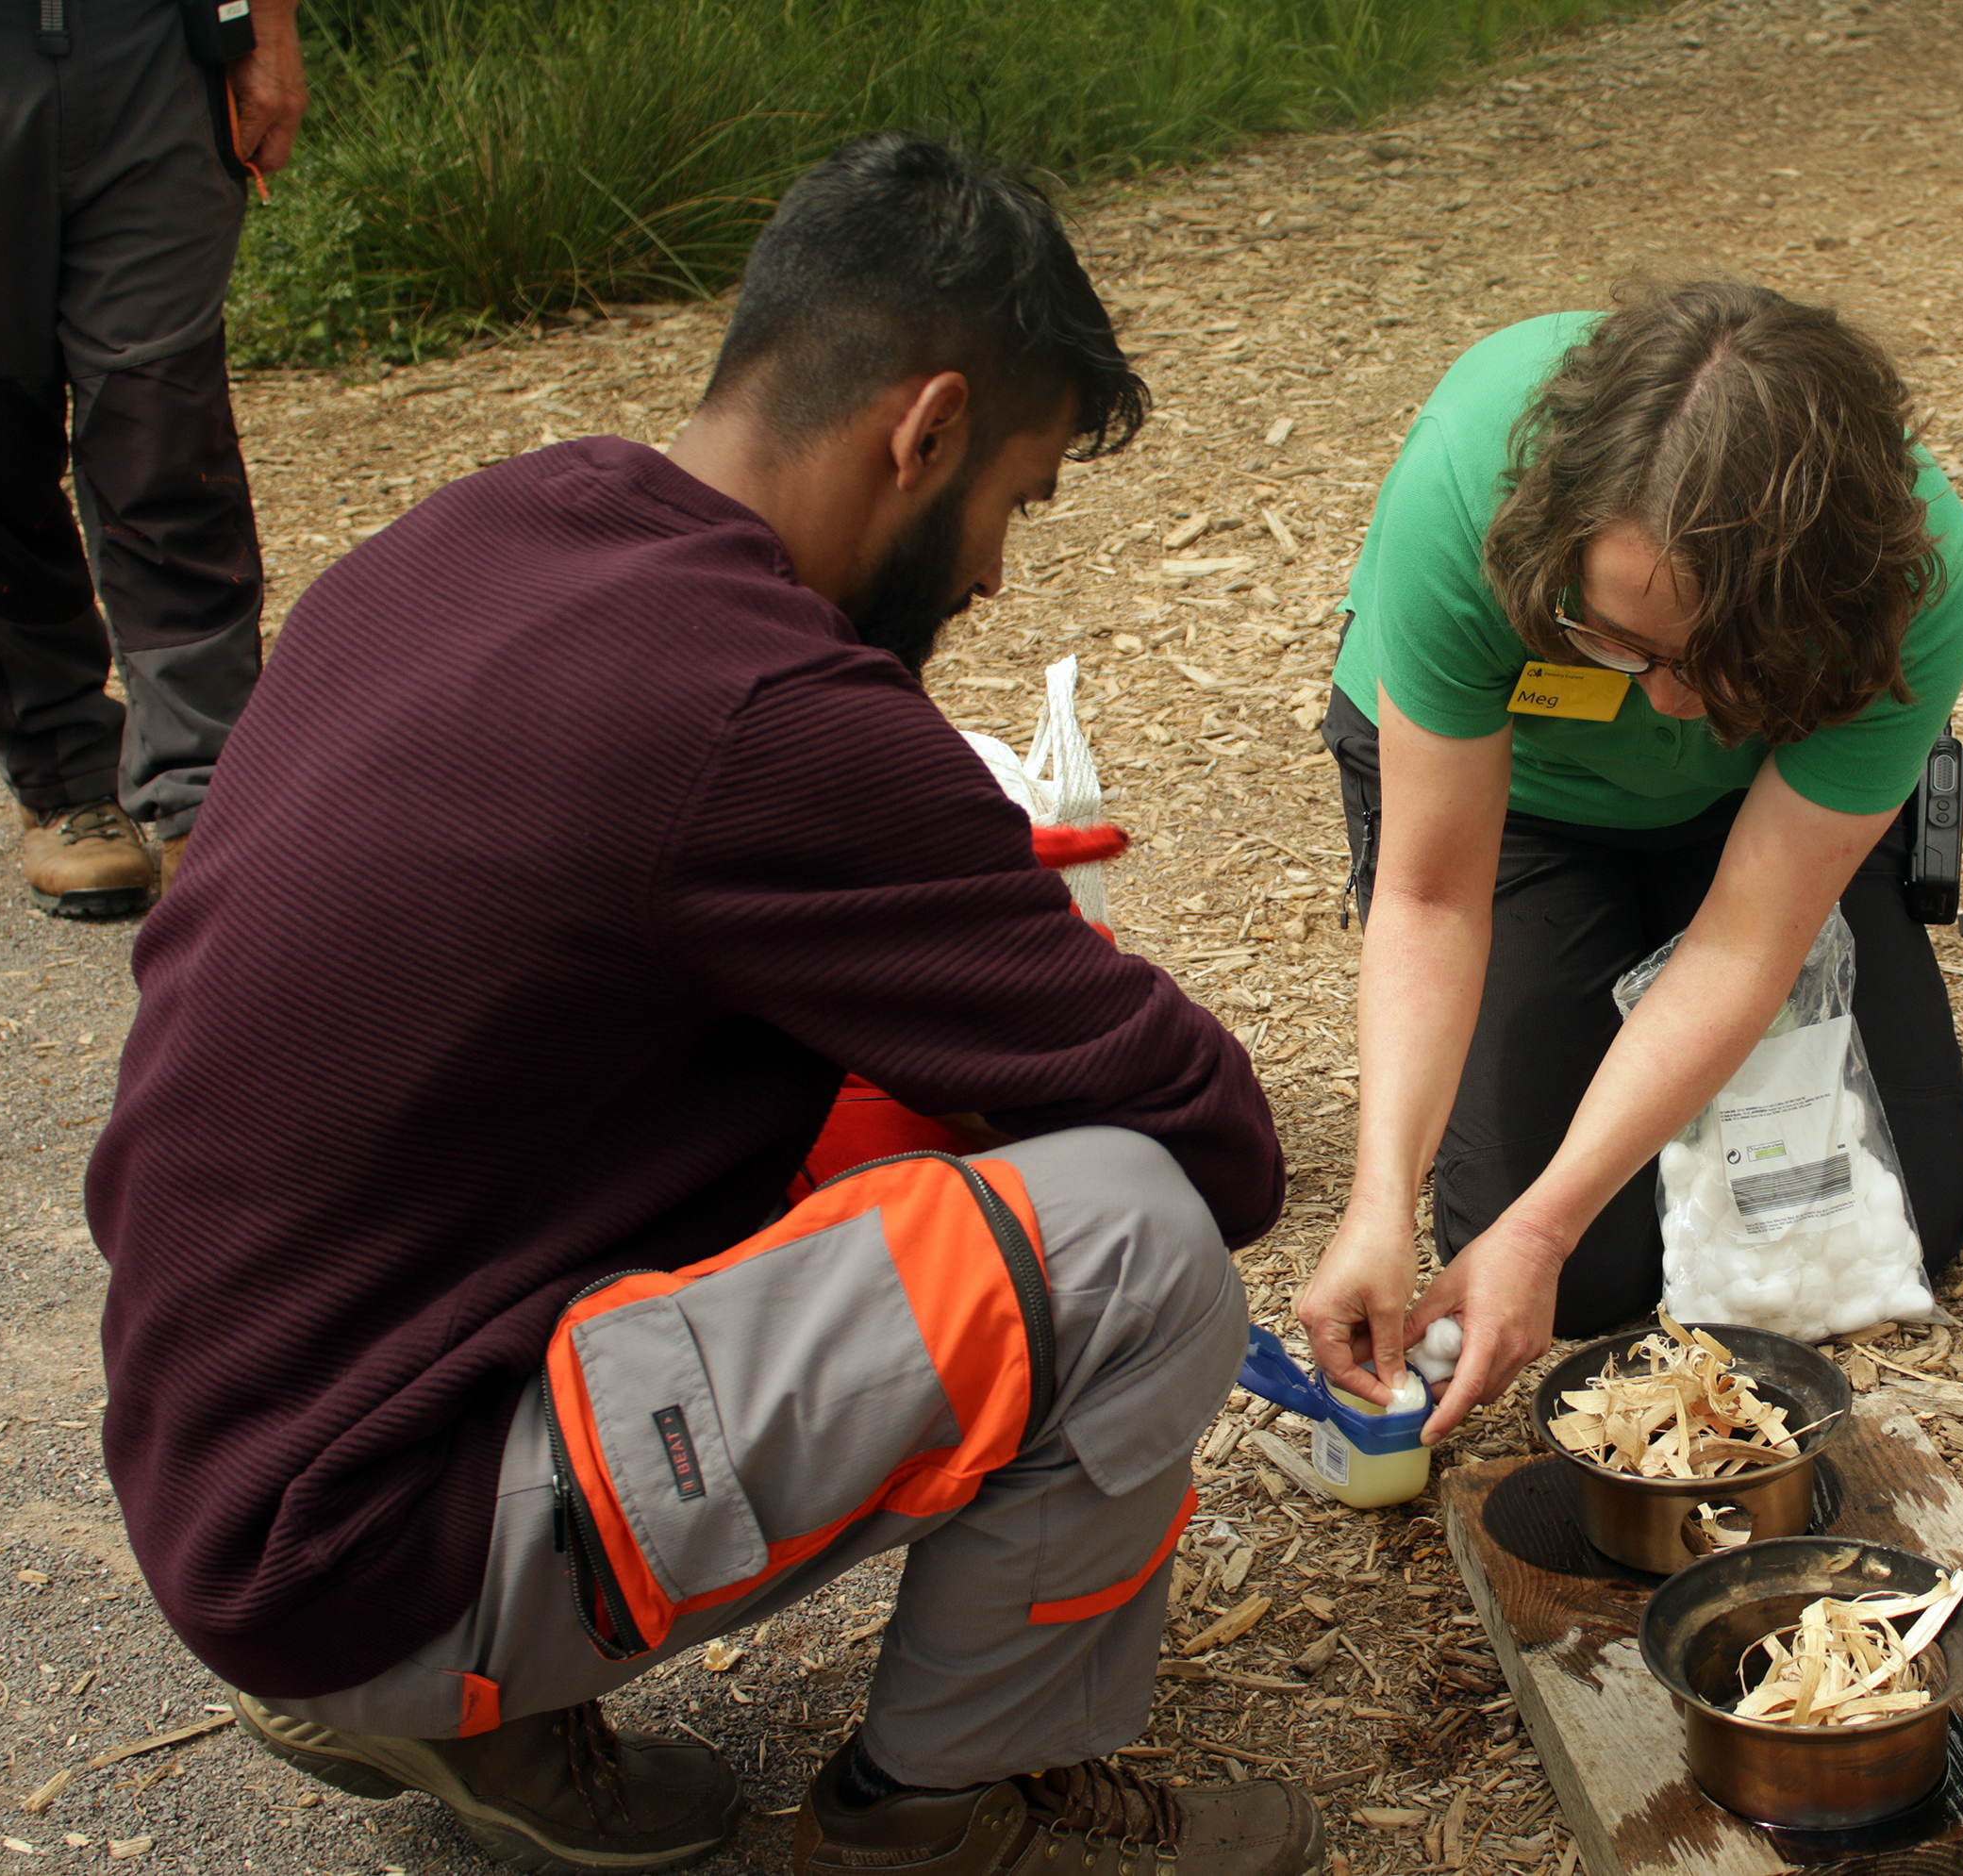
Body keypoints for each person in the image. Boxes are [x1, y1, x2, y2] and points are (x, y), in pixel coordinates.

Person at [86, 137, 1324, 1876]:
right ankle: (932, 1828)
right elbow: (1219, 1144)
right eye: (1013, 505)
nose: (986, 576)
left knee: (880, 1114)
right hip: (360, 1541)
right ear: (930, 427)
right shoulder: (770, 711)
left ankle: (449, 1698)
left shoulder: (480, 529)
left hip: (233, 1448)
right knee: (1131, 1240)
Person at [1296, 282, 1963, 1438]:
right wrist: (1381, 1206)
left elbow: (1744, 938)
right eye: (1615, 640)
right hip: (1515, 804)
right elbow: (1429, 894)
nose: (1665, 703)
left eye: (1721, 660)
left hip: (1754, 805)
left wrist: (1540, 1227)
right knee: (1595, 1285)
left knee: (1908, 1213)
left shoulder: (1913, 581)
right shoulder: (1471, 488)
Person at [0, 0, 302, 917]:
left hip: (151, 44)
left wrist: (265, 22)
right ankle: (65, 774)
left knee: (163, 430)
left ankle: (205, 789)